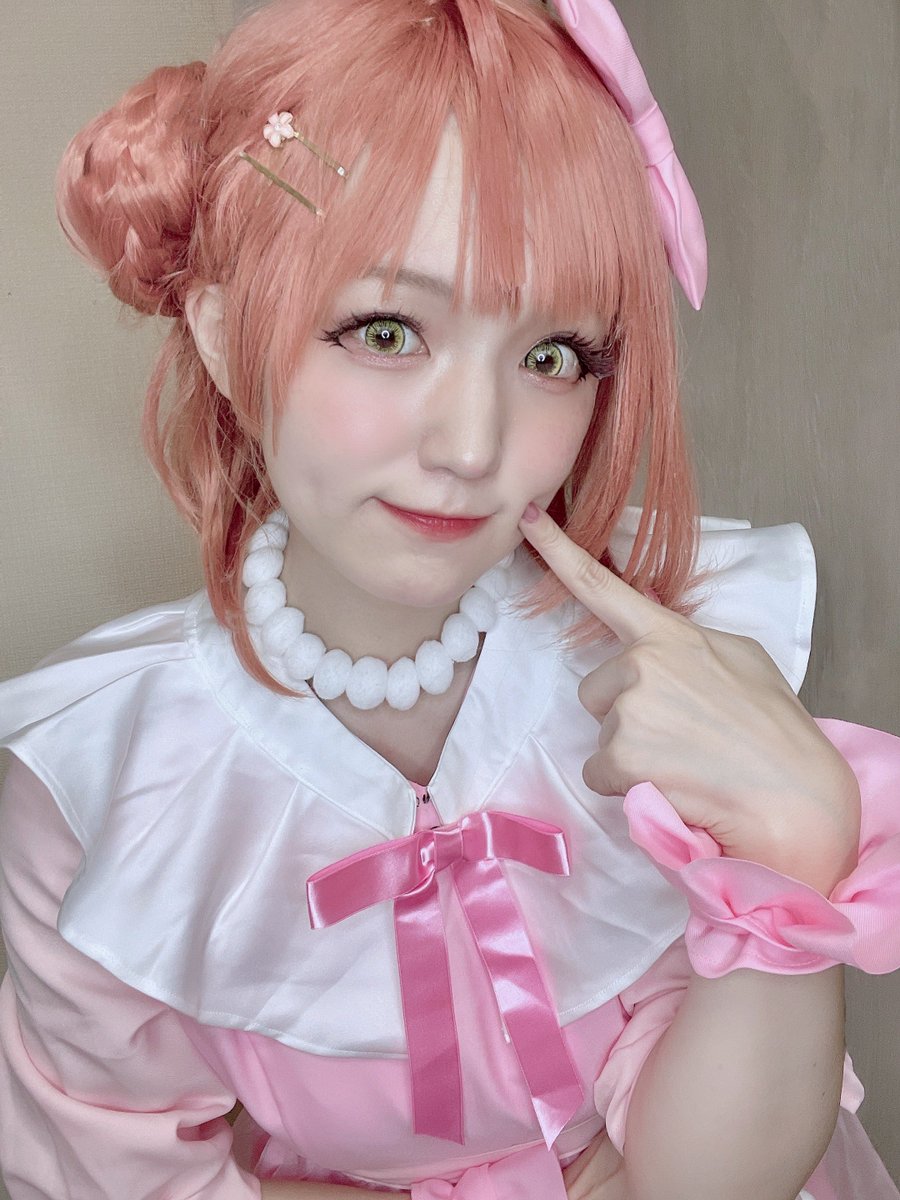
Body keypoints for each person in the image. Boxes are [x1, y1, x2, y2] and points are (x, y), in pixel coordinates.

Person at [0, 0, 898, 1196]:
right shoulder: (100, 782)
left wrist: (793, 848)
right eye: (386, 331)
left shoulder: (679, 667)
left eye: (552, 356)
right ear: (221, 335)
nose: (475, 446)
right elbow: (118, 1168)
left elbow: (711, 1180)